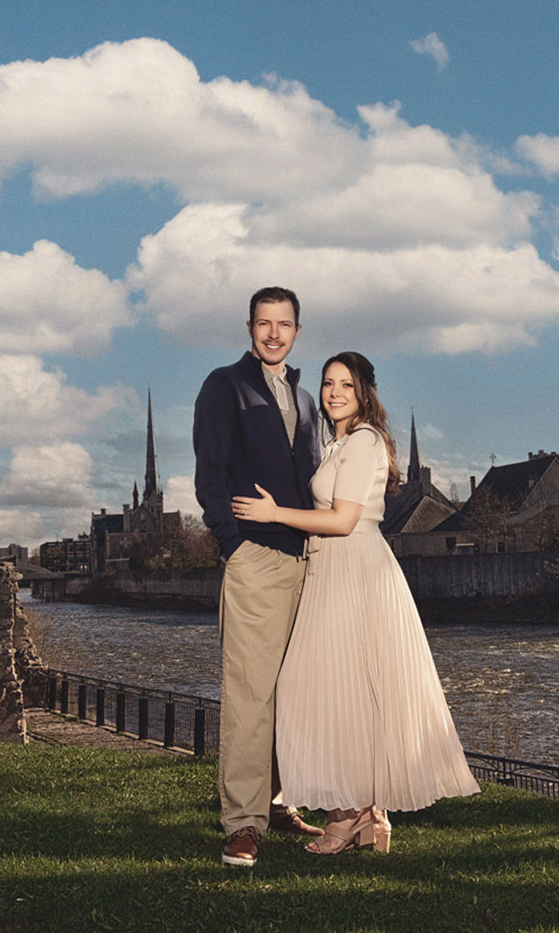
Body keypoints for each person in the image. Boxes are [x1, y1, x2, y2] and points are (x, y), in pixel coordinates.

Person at [232, 351, 479, 855]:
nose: (334, 392)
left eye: (345, 383)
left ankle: (348, 818)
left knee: (323, 687)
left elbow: (344, 519)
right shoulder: (341, 443)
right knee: (350, 691)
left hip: (352, 566)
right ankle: (369, 816)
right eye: (327, 383)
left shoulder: (363, 441)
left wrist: (275, 513)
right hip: (339, 569)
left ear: (364, 391)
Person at [193, 286, 325, 867]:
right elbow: (210, 474)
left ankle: (276, 801)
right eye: (264, 323)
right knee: (250, 694)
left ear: (297, 330)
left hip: (307, 560)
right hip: (256, 560)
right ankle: (242, 823)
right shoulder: (225, 386)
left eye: (285, 323)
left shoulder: (305, 396)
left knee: (292, 694)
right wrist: (233, 546)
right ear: (249, 327)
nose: (274, 333)